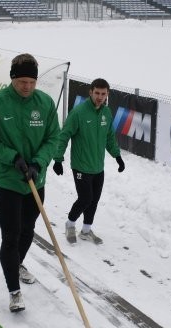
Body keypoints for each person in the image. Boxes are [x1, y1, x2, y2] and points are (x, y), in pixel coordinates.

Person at [0, 53, 60, 312]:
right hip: (9, 182)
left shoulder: (45, 103)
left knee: (27, 230)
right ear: (13, 78)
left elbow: (53, 138)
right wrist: (13, 158)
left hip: (36, 180)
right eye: (22, 81)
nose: (27, 87)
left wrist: (38, 162)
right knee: (11, 236)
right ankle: (14, 289)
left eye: (31, 82)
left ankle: (17, 263)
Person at [52, 78, 125, 245]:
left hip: (98, 166)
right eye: (97, 93)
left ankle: (86, 230)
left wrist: (117, 156)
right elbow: (64, 136)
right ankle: (70, 224)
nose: (100, 97)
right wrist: (58, 158)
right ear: (90, 92)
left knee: (94, 199)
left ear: (107, 94)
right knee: (85, 198)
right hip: (81, 166)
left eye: (103, 94)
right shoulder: (78, 113)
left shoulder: (106, 113)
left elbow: (109, 137)